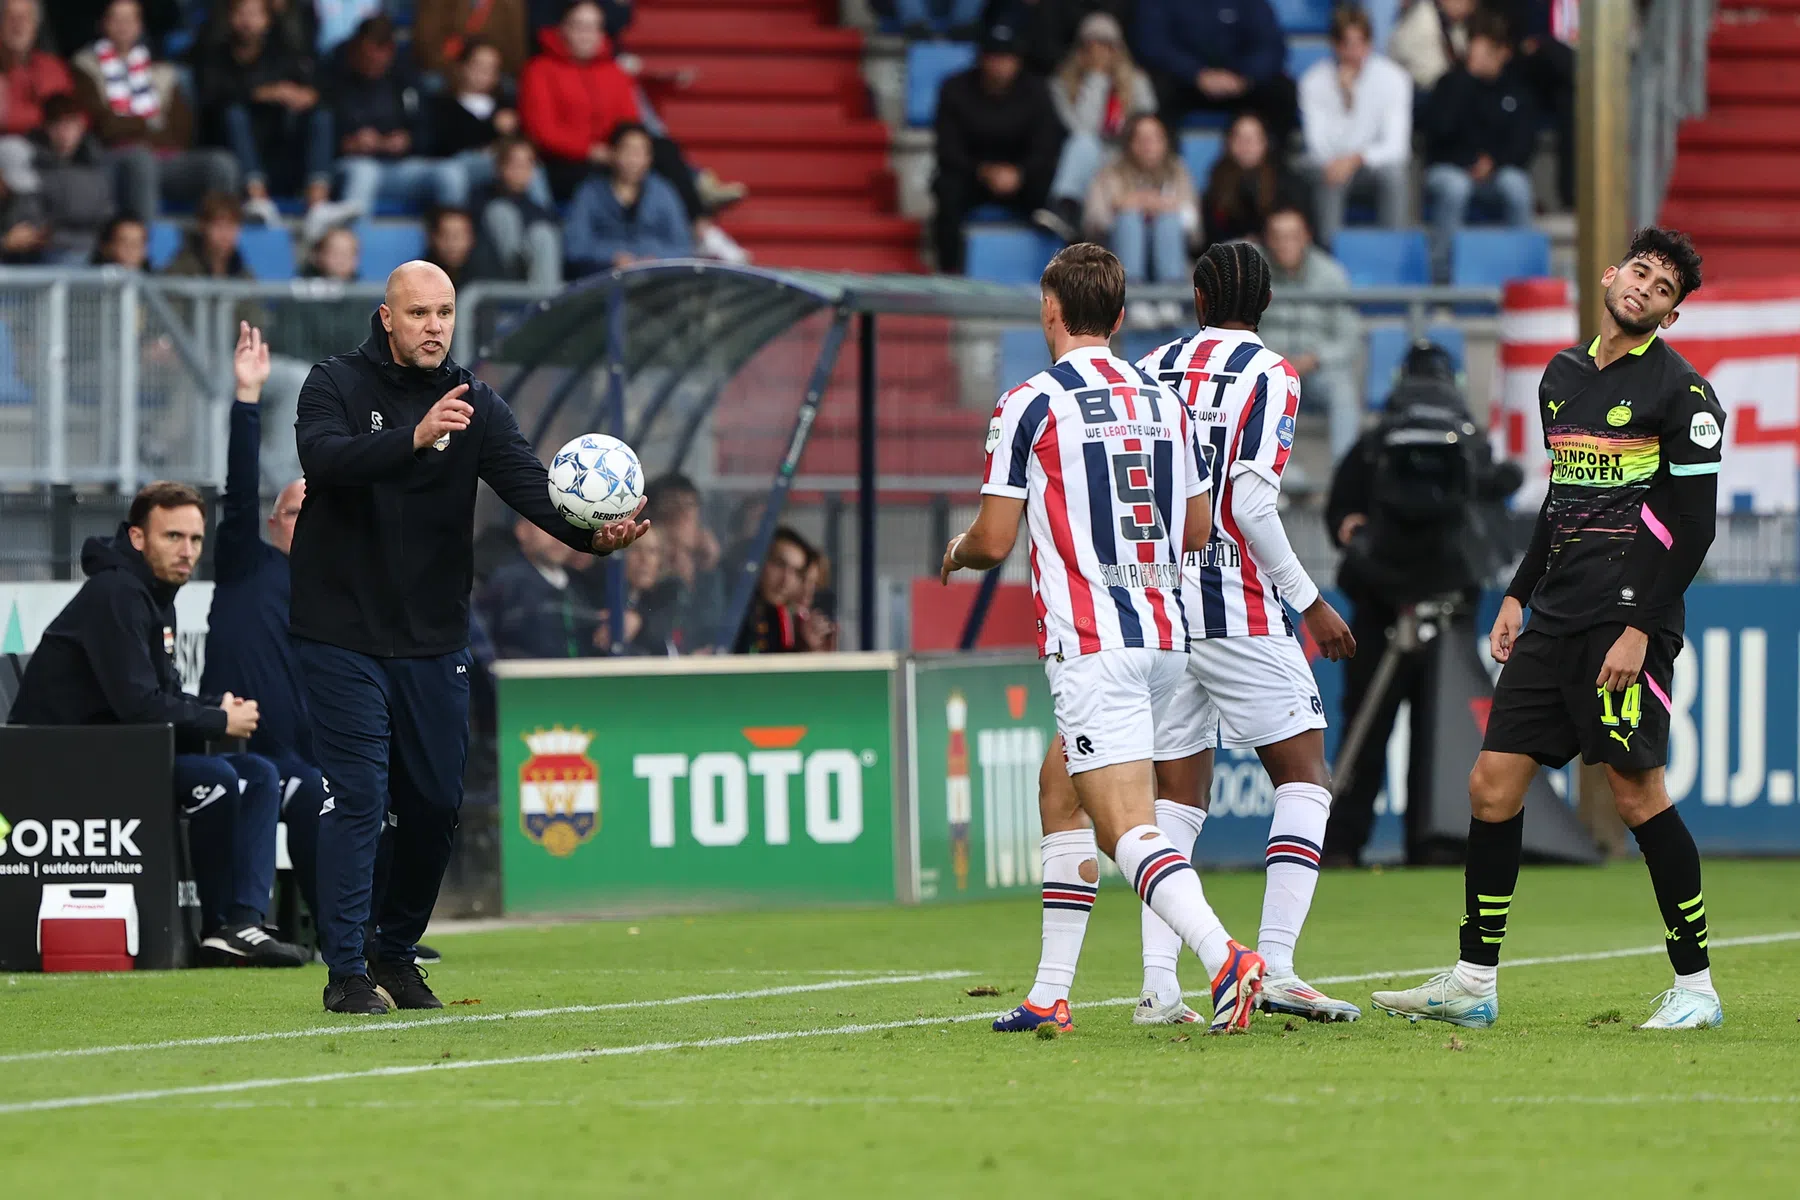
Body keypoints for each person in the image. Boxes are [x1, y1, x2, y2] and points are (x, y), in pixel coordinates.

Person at [1372, 227, 1729, 1031]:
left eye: (1664, 287)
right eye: (1640, 271)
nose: (1645, 287)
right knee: (1492, 786)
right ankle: (1473, 981)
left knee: (1638, 796)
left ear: (1669, 316)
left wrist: (1638, 627)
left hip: (1625, 622)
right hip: (1554, 616)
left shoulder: (1685, 396)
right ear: (1610, 275)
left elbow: (1693, 528)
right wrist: (1516, 594)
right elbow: (1563, 500)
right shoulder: (1561, 376)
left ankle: (1697, 986)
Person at [290, 258, 649, 1014]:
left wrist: (595, 540)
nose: (434, 327)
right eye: (419, 313)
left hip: (432, 638)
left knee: (433, 804)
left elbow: (530, 485)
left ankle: (395, 952)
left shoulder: (476, 404)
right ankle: (346, 971)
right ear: (387, 317)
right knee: (359, 797)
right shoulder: (335, 384)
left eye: (445, 313)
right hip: (341, 633)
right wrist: (415, 438)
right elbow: (323, 459)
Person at [941, 242, 1266, 1036]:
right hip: (1164, 635)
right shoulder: (1167, 403)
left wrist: (954, 553)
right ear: (1119, 319)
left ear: (1050, 311)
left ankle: (1227, 957)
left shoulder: (1031, 402)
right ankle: (1051, 994)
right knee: (1061, 789)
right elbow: (1195, 528)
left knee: (1123, 827)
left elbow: (992, 539)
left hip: (1093, 643)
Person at [1126, 239, 1360, 1025]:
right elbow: (1252, 505)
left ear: (1198, 298)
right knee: (1303, 776)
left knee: (1175, 797)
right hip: (1238, 604)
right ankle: (1281, 964)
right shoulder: (1271, 374)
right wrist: (1310, 601)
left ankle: (1160, 989)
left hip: (1158, 605)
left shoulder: (1153, 368)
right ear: (1266, 305)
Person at [7, 480, 307, 967]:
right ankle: (220, 923)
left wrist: (214, 708)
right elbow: (138, 706)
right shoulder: (116, 594)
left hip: (124, 753)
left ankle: (240, 923)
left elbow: (155, 699)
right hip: (65, 767)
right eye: (172, 537)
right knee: (218, 777)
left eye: (194, 540)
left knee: (259, 775)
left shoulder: (153, 595)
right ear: (138, 537)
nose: (186, 551)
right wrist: (216, 718)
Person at [200, 323, 329, 925]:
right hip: (241, 748)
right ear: (276, 522)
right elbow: (237, 489)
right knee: (315, 798)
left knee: (361, 796)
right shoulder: (245, 563)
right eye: (299, 511)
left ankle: (370, 937)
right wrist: (247, 400)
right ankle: (324, 934)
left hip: (303, 757)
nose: (310, 523)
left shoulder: (336, 590)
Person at [71, 0, 240, 222]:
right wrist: (148, 125)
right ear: (104, 24)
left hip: (165, 159)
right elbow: (104, 124)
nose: (124, 26)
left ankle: (220, 240)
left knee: (221, 163)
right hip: (115, 160)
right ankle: (144, 245)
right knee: (142, 160)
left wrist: (131, 125)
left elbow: (181, 130)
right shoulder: (84, 67)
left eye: (130, 19)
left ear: (140, 26)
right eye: (117, 19)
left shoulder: (162, 71)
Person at [931, 22, 1064, 275]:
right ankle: (949, 271)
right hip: (972, 175)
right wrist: (983, 171)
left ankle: (1057, 273)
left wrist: (1020, 173)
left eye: (1007, 58)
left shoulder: (1036, 91)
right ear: (981, 58)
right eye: (994, 57)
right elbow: (947, 147)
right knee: (947, 189)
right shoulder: (954, 89)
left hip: (1023, 177)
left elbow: (1047, 144)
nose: (1000, 65)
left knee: (1054, 198)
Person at [192, 0, 336, 229]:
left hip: (279, 149)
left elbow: (313, 87)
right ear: (230, 17)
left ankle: (318, 204)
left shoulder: (281, 53)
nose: (248, 22)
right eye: (242, 13)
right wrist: (262, 93)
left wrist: (305, 96)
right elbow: (212, 98)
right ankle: (257, 198)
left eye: (255, 14)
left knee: (321, 115)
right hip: (234, 155)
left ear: (267, 20)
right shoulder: (213, 52)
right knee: (234, 114)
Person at [1420, 11, 1537, 282]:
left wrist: (1493, 161)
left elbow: (1523, 143)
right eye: (1478, 49)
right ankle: (1442, 278)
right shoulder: (1450, 84)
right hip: (1451, 169)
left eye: (1489, 50)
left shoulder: (1516, 91)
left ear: (1504, 52)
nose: (1483, 56)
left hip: (1496, 172)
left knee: (1517, 186)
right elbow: (1439, 132)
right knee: (1455, 187)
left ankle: (1520, 275)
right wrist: (1467, 77)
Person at [327, 16, 463, 240]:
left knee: (451, 174)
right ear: (358, 48)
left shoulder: (406, 77)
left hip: (399, 168)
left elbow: (428, 130)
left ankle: (447, 257)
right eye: (369, 54)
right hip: (351, 164)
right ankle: (352, 259)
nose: (375, 61)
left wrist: (408, 141)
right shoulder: (335, 75)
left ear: (391, 51)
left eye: (382, 55)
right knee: (364, 174)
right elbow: (319, 132)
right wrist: (348, 142)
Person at [1033, 10, 1155, 243]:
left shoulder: (1138, 82)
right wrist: (1095, 80)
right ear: (1080, 50)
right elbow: (1080, 127)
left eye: (1107, 46)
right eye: (1091, 46)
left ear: (1118, 49)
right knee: (1083, 143)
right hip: (1084, 158)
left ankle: (1074, 214)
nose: (1100, 53)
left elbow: (1145, 128)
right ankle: (1065, 208)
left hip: (1126, 155)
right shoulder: (1062, 83)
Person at [1299, 5, 1413, 249]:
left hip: (1369, 167)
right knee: (1331, 176)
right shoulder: (1313, 81)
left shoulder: (1394, 79)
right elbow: (1319, 148)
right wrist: (1346, 99)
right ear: (1334, 45)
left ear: (1370, 43)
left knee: (1394, 175)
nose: (1354, 52)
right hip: (1330, 167)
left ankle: (1392, 252)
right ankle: (1331, 258)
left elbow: (1397, 148)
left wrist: (1356, 159)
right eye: (1346, 44)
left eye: (1360, 43)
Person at [1257, 203, 1361, 456]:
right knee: (1251, 388)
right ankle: (1274, 482)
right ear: (1267, 240)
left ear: (1306, 237)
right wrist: (1271, 358)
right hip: (1269, 370)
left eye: (1293, 236)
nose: (1285, 244)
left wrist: (1315, 358)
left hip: (1314, 371)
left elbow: (1349, 337)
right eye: (1278, 237)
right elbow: (1240, 330)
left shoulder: (1330, 273)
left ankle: (1343, 478)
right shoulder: (1254, 272)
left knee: (1342, 387)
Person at [1132, 0, 1297, 145]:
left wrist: (1244, 75)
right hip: (1184, 83)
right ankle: (1164, 171)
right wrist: (1196, 73)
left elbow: (1272, 46)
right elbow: (1152, 44)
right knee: (1152, 92)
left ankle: (1282, 168)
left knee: (1282, 91)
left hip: (1240, 84)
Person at [1082, 112, 1197, 299]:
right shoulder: (1110, 172)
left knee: (1168, 219)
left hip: (1173, 258)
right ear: (1130, 143)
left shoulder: (1178, 171)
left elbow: (1194, 226)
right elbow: (1095, 222)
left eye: (1155, 139)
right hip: (1117, 255)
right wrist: (1129, 206)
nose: (1149, 146)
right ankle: (1133, 295)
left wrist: (1162, 207)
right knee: (1128, 219)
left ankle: (1170, 297)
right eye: (1142, 139)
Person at [564, 121, 689, 275]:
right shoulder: (589, 192)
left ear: (649, 158)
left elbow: (683, 246)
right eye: (627, 151)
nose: (633, 160)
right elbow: (575, 247)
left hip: (655, 281)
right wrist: (611, 258)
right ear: (613, 153)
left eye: (640, 152)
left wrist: (656, 259)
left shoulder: (663, 192)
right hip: (603, 280)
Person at [477, 516, 604, 658]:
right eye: (548, 525)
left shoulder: (582, 586)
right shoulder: (507, 584)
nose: (558, 536)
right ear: (522, 530)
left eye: (568, 526)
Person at [1200, 111, 1303, 252]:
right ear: (1229, 143)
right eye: (1240, 138)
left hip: (1277, 254)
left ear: (1264, 143)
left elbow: (1295, 228)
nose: (1246, 145)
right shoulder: (1217, 179)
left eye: (1253, 138)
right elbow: (1211, 235)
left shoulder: (1285, 179)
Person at [30, 92, 114, 261]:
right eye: (57, 124)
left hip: (93, 252)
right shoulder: (31, 166)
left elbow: (106, 216)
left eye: (70, 123)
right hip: (48, 253)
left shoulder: (97, 168)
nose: (64, 132)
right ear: (46, 128)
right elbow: (33, 223)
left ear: (81, 126)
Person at [470, 136, 560, 286]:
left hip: (532, 282)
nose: (521, 171)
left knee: (543, 234)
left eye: (527, 164)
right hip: (491, 278)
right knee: (501, 212)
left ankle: (545, 304)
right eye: (515, 164)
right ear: (499, 166)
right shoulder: (478, 200)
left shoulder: (541, 213)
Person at [731, 526, 813, 654]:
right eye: (779, 564)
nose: (786, 581)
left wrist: (806, 648)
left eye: (796, 572)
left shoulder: (775, 616)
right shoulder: (727, 609)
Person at [414, 0, 531, 79]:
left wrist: (488, 69)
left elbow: (515, 48)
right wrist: (456, 70)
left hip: (496, 72)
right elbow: (427, 40)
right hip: (446, 69)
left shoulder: (511, 4)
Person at [1388, 0, 1478, 94]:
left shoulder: (1454, 23)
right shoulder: (1421, 18)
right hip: (1417, 90)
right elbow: (1430, 76)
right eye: (1467, 3)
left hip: (1439, 88)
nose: (1470, 9)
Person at [424, 204, 477, 286]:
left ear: (471, 238)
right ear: (432, 237)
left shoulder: (486, 276)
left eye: (458, 236)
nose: (452, 243)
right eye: (445, 235)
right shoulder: (418, 275)